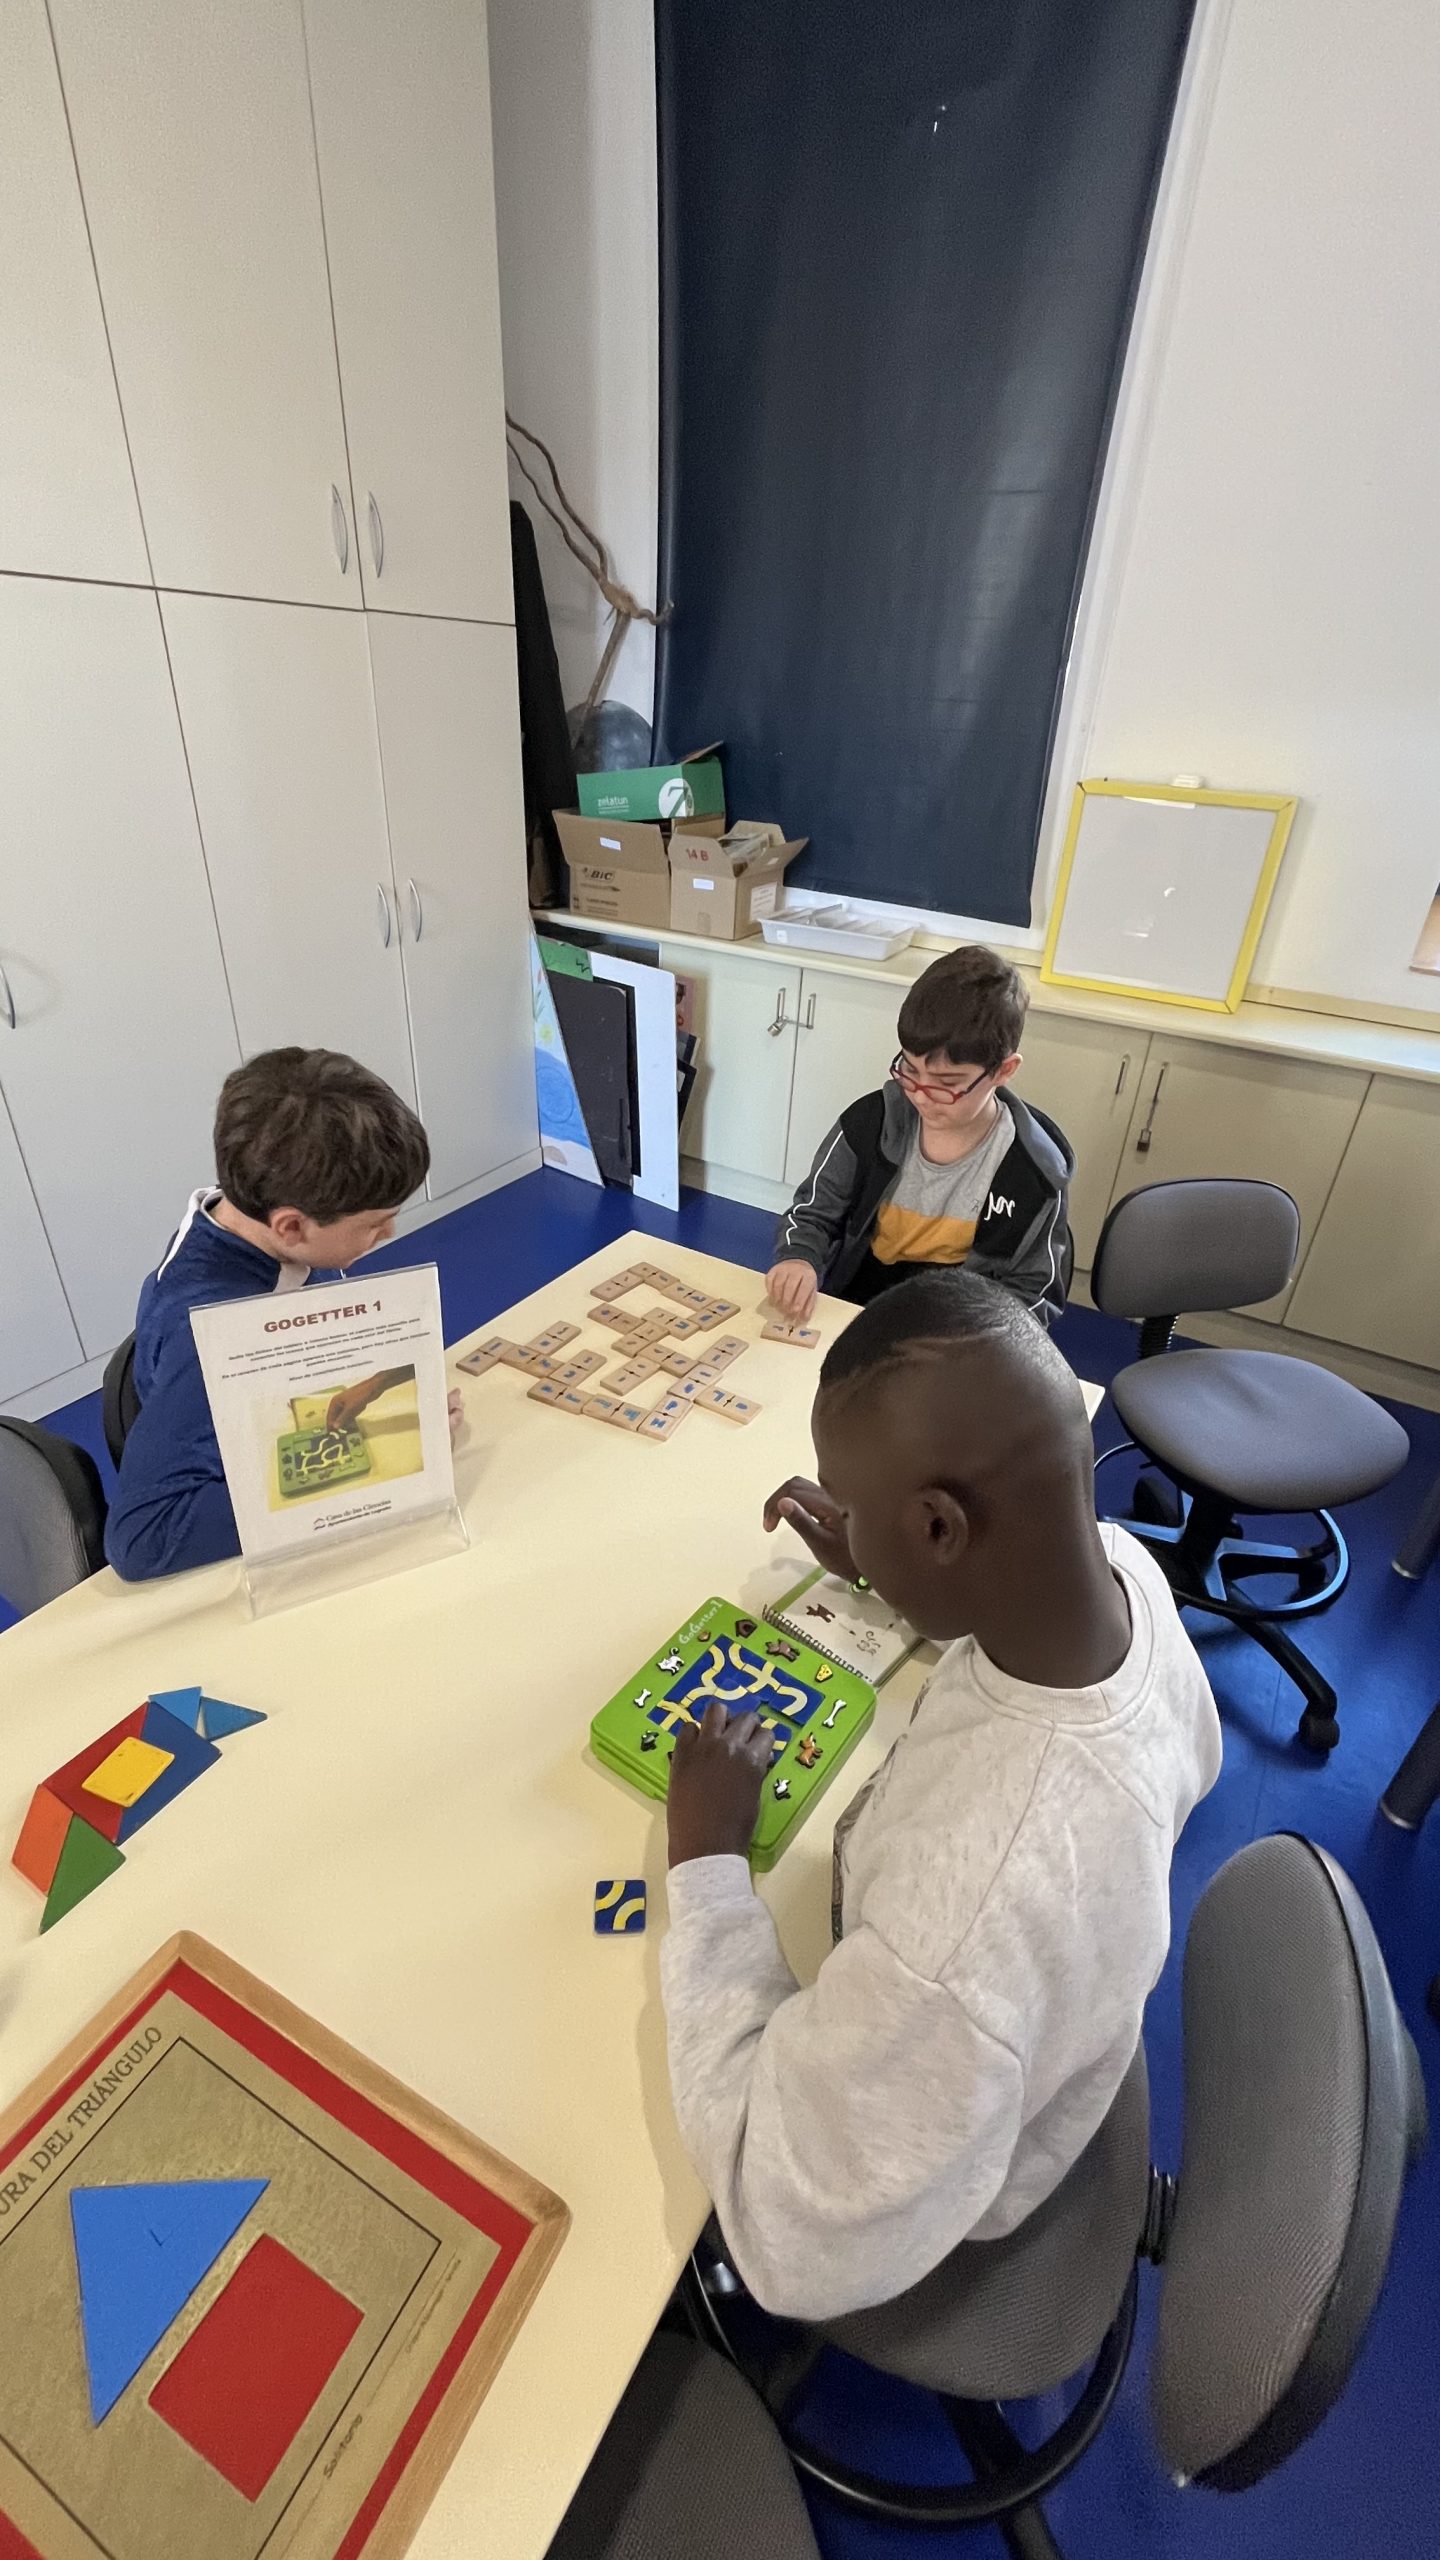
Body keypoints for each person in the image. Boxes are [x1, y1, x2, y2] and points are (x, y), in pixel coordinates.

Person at [660, 1270, 1222, 2323]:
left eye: (854, 1507)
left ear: (939, 1528)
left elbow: (787, 2236)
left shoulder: (960, 1928)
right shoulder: (1122, 1574)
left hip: (937, 2168)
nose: (840, 1517)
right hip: (1022, 2026)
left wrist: (708, 1864)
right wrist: (882, 1557)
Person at [106, 1048, 446, 1582]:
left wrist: (379, 1382)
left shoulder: (242, 1218)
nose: (389, 1233)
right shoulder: (212, 1332)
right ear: (290, 1226)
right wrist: (371, 1467)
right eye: (375, 1223)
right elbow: (143, 1538)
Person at [766, 944, 1073, 1326]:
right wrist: (798, 1257)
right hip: (858, 1309)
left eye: (947, 1083)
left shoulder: (1035, 1172)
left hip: (957, 1328)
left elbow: (1034, 1292)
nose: (921, 1095)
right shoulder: (869, 1124)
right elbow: (812, 1213)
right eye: (910, 1070)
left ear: (1003, 1071)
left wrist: (981, 1338)